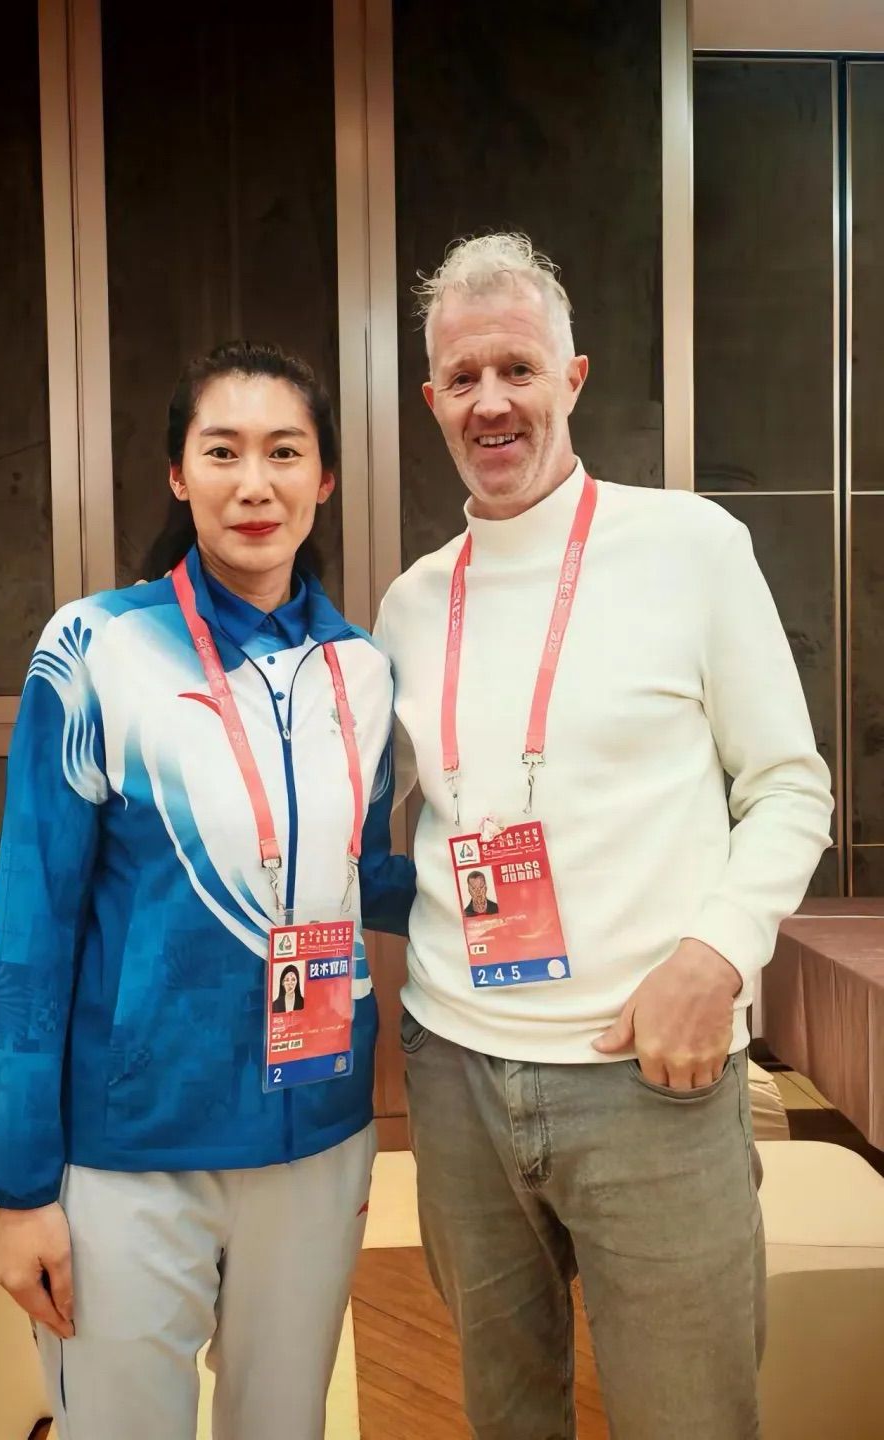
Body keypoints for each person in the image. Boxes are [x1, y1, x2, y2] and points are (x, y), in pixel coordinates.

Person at [374, 233, 833, 1440]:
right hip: (456, 1078)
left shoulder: (692, 547)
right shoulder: (411, 604)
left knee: (689, 1420)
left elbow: (790, 787)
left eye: (517, 369)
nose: (491, 401)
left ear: (572, 379)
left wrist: (716, 960)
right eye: (463, 378)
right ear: (432, 400)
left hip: (653, 1075)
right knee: (506, 1418)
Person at [0, 339, 415, 1440]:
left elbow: (361, 877)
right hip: (130, 1150)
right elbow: (32, 926)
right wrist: (17, 1189)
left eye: (285, 452)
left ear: (325, 478)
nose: (253, 483)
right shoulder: (95, 647)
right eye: (222, 452)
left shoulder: (362, 670)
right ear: (179, 473)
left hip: (317, 1136)